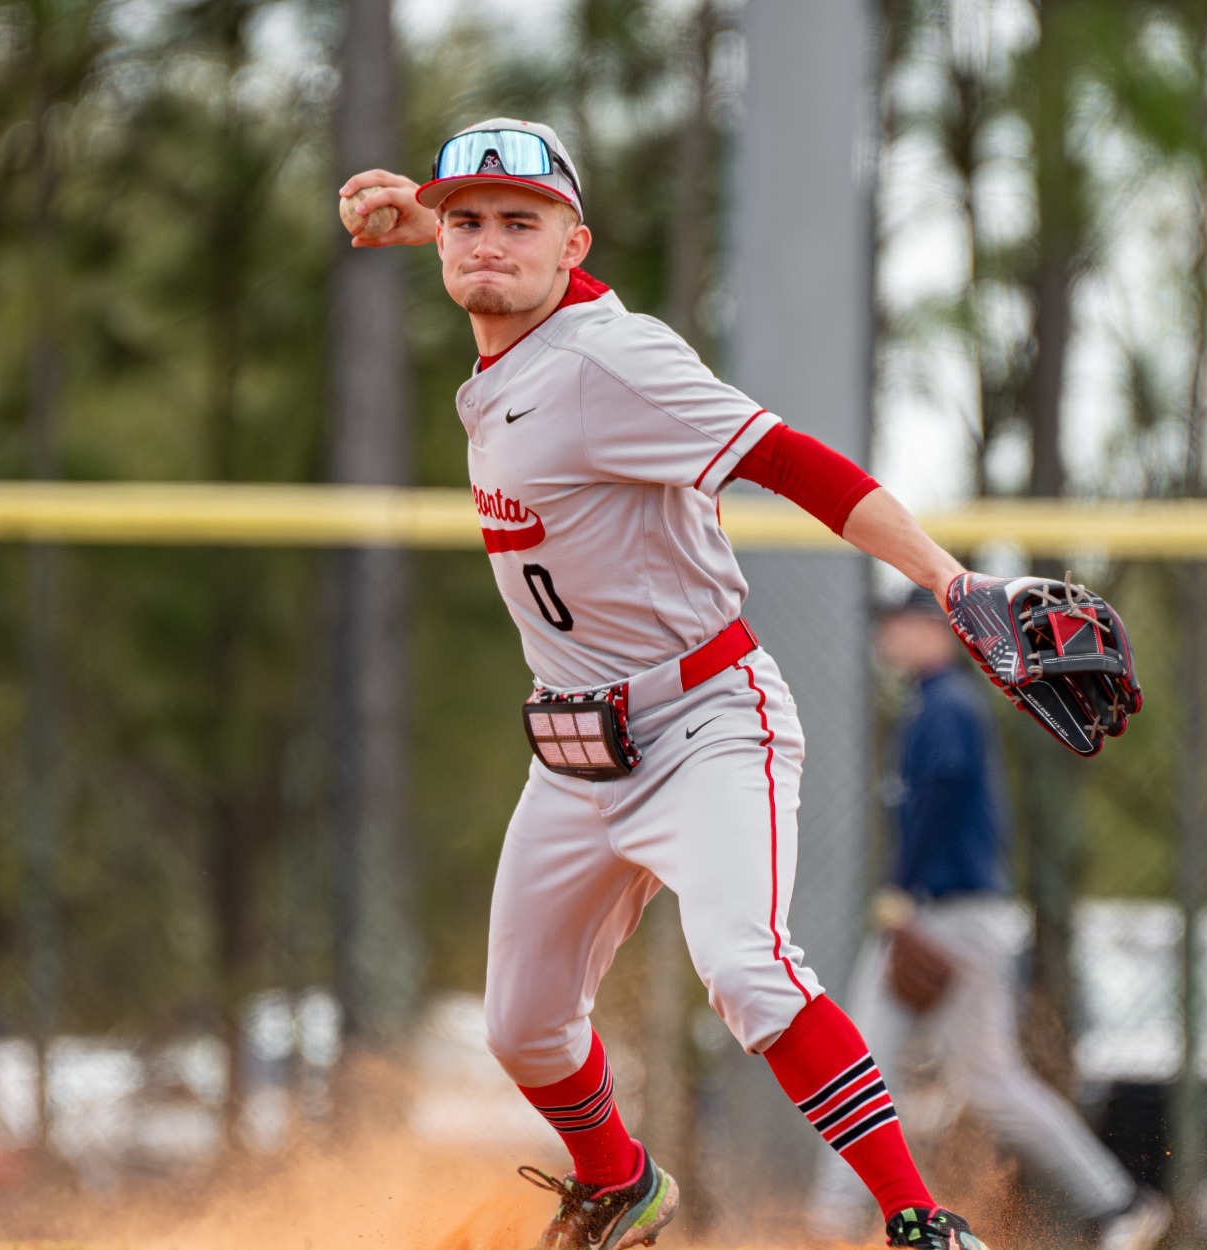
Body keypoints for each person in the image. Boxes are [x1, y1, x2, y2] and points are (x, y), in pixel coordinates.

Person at [341, 119, 997, 1250]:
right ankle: (623, 1184)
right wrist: (436, 230)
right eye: (467, 223)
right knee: (523, 1026)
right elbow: (503, 271)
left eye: (519, 221)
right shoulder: (520, 339)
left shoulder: (611, 359)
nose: (485, 242)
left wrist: (943, 577)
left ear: (574, 242)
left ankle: (916, 1219)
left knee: (750, 970)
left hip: (702, 724)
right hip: (580, 751)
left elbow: (791, 458)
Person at [806, 590, 1173, 1250]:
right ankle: (831, 1219)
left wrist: (902, 885)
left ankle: (1119, 1201)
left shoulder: (945, 705)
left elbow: (942, 792)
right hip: (948, 913)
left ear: (933, 632)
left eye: (899, 624)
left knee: (929, 1073)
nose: (887, 636)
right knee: (882, 1063)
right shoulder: (935, 703)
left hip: (950, 912)